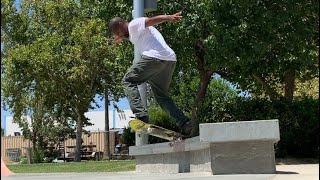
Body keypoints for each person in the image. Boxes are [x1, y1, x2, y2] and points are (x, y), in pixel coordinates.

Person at [109, 12, 192, 136]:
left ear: (121, 24)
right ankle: (185, 123)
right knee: (161, 97)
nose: (119, 35)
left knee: (128, 80)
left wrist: (168, 18)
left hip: (154, 58)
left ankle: (141, 115)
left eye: (118, 32)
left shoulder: (133, 24)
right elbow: (130, 35)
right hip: (169, 60)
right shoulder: (133, 32)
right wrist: (120, 37)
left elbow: (151, 20)